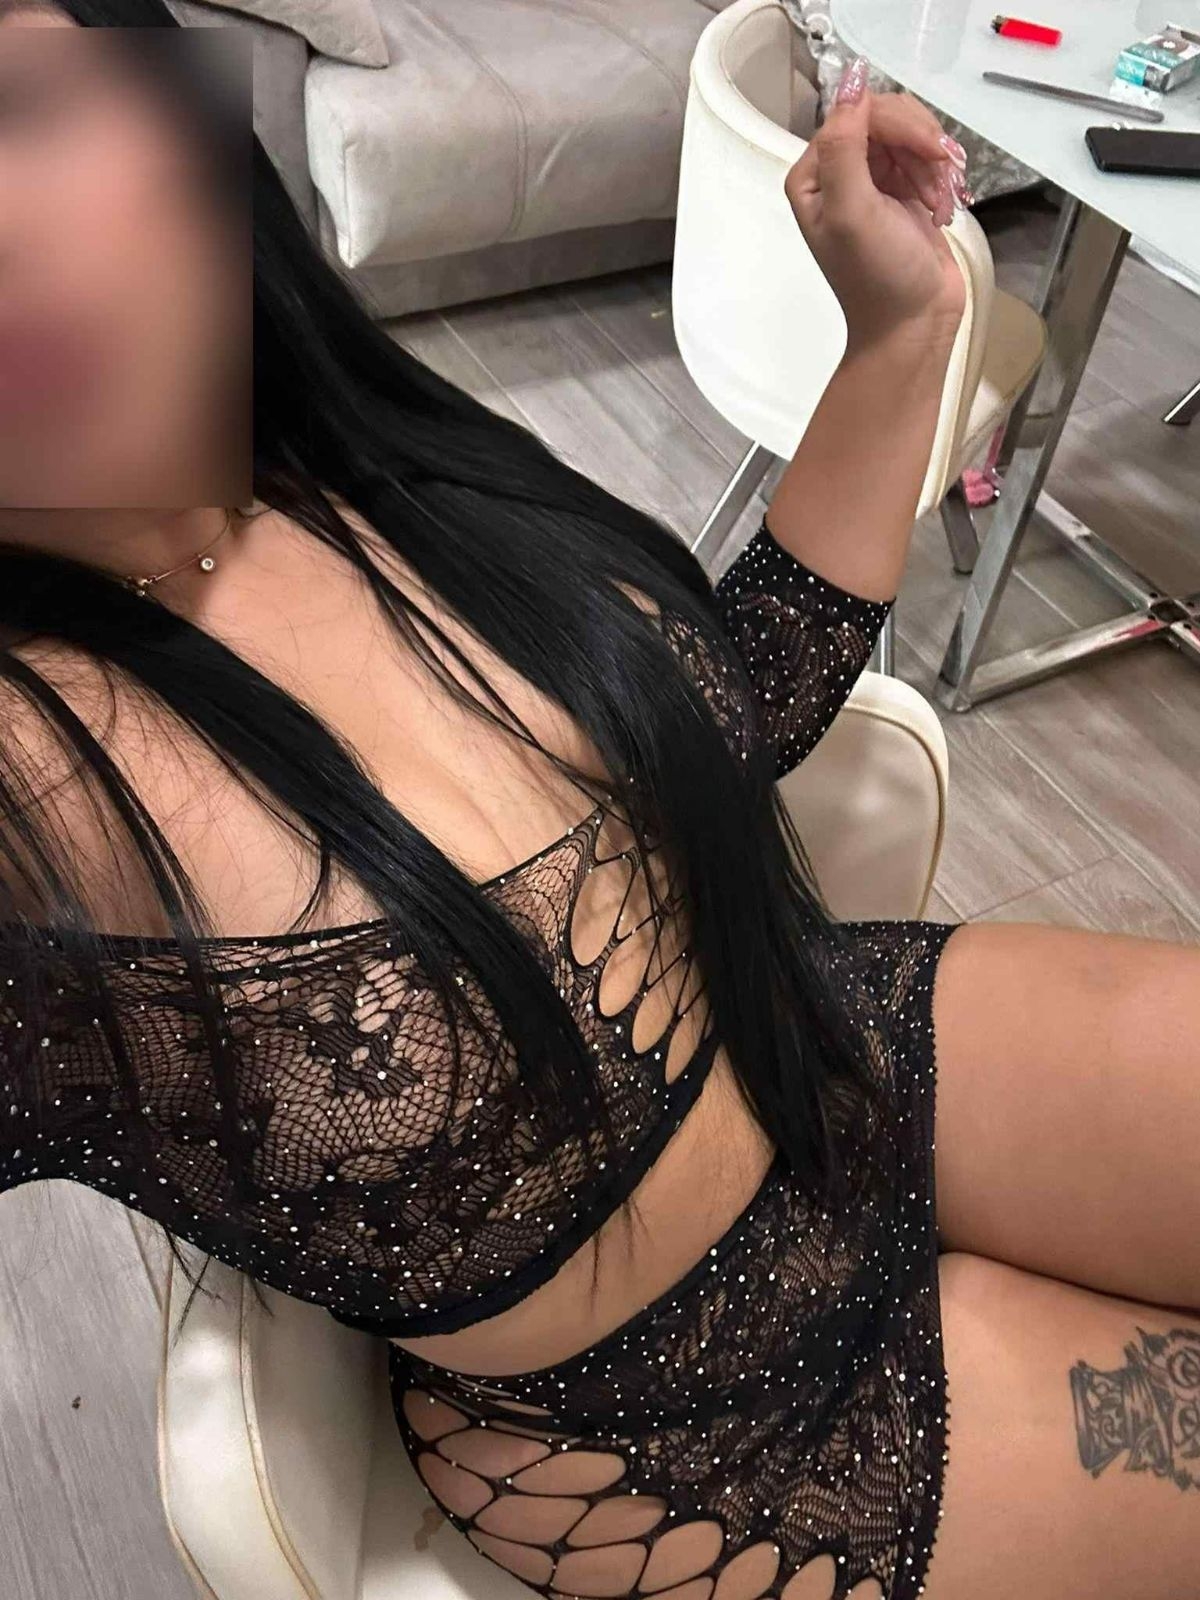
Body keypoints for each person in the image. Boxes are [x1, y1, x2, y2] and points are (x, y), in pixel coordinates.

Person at [1, 6, 1198, 1599]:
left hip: (823, 1049)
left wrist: (900, 332)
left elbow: (723, 710)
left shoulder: (353, 462)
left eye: (23, 107)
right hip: (698, 1427)